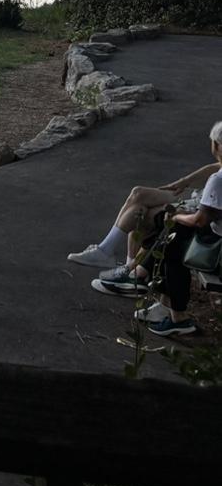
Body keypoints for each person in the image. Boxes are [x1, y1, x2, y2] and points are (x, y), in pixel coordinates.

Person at [92, 121, 222, 337]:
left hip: (216, 248)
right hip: (216, 236)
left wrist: (177, 216)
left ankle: (175, 314)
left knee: (171, 236)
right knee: (172, 233)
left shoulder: (218, 180)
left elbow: (199, 220)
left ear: (217, 146)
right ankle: (142, 279)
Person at [69, 161, 220, 271]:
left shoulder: (217, 181)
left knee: (141, 210)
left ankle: (125, 266)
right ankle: (113, 256)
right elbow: (218, 165)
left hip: (201, 205)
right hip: (198, 197)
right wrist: (184, 182)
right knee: (138, 194)